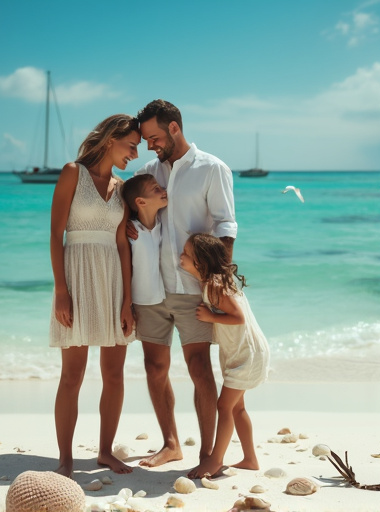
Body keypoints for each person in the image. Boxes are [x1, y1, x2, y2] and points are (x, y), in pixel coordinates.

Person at [129, 99, 238, 467]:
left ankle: (208, 453)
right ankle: (171, 444)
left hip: (193, 290)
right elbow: (136, 212)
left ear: (174, 127)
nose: (150, 145)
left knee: (199, 368)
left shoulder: (212, 168)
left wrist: (216, 279)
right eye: (146, 139)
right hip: (153, 288)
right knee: (153, 368)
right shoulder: (148, 171)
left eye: (155, 137)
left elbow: (225, 225)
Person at [49, 114, 139, 477]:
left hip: (113, 280)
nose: (134, 153)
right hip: (76, 276)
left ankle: (104, 451)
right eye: (131, 145)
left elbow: (122, 245)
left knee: (114, 374)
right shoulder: (73, 172)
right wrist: (60, 290)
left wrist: (128, 300)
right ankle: (65, 458)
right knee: (72, 375)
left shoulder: (122, 188)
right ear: (110, 139)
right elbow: (57, 234)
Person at [179, 233, 270, 479]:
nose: (181, 257)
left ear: (201, 261)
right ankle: (250, 459)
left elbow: (238, 317)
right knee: (237, 408)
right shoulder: (211, 281)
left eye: (186, 254)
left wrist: (211, 317)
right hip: (240, 353)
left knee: (224, 405)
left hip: (247, 355)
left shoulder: (215, 285)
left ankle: (216, 461)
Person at [121, 174, 168, 329]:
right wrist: (127, 304)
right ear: (141, 202)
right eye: (156, 189)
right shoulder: (132, 233)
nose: (164, 191)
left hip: (165, 300)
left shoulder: (163, 225)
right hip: (141, 304)